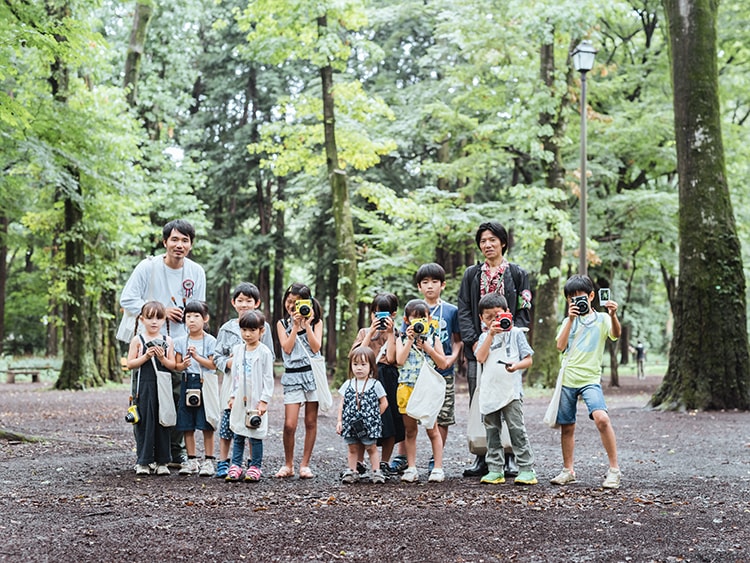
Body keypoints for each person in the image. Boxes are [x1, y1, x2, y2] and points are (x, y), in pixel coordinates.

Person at [120, 219, 207, 469]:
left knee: (178, 397)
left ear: (190, 245)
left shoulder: (196, 271)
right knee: (144, 399)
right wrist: (159, 312)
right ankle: (145, 454)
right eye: (175, 239)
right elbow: (128, 299)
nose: (179, 245)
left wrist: (189, 316)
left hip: (180, 342)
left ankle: (174, 451)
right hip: (147, 341)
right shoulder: (148, 267)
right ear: (165, 242)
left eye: (185, 240)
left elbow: (198, 307)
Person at [457, 221, 532, 478]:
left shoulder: (519, 274)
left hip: (508, 349)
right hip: (480, 347)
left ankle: (511, 457)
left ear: (503, 242)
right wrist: (473, 340)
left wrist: (513, 337)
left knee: (510, 400)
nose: (487, 245)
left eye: (492, 240)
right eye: (483, 241)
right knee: (481, 400)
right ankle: (483, 456)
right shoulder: (471, 274)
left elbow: (524, 310)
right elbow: (464, 309)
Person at [551, 274, 622, 489]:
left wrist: (614, 315)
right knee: (567, 426)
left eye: (580, 297)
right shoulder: (567, 321)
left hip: (590, 378)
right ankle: (568, 470)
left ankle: (614, 470)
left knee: (602, 418)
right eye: (571, 298)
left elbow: (615, 335)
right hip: (568, 378)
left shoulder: (602, 319)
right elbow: (560, 346)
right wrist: (571, 320)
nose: (576, 302)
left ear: (591, 296)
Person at [213, 282, 275, 478]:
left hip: (256, 389)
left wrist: (265, 398)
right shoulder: (227, 329)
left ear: (256, 303)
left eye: (248, 301)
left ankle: (254, 465)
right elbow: (217, 357)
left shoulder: (263, 330)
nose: (244, 304)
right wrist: (230, 364)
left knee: (254, 429)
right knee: (232, 426)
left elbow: (268, 368)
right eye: (240, 300)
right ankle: (229, 464)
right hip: (234, 386)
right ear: (233, 302)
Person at [473, 294, 536, 485]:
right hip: (490, 391)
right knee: (492, 430)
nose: (494, 320)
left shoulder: (516, 333)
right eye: (489, 317)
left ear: (507, 313)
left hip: (511, 392)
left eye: (497, 315)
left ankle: (526, 469)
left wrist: (516, 366)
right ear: (481, 319)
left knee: (517, 429)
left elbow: (528, 359)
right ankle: (495, 469)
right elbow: (480, 358)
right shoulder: (484, 336)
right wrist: (491, 335)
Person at [414, 263, 462, 473]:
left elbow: (458, 339)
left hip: (444, 371)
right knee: (413, 414)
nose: (430, 286)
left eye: (434, 282)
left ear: (443, 285)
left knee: (443, 416)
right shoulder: (414, 309)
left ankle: (437, 458)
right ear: (419, 286)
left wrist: (453, 358)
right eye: (425, 282)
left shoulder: (451, 311)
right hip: (417, 371)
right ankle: (406, 457)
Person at [350, 293, 404, 476]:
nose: (379, 319)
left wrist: (390, 335)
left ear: (393, 314)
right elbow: (356, 355)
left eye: (384, 315)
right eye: (376, 314)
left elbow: (392, 358)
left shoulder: (396, 334)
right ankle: (358, 462)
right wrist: (371, 333)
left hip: (388, 378)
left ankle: (384, 462)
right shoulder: (364, 332)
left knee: (389, 421)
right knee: (361, 420)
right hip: (366, 378)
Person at [395, 299, 448, 483]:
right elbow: (399, 360)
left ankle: (438, 468)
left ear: (429, 318)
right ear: (406, 320)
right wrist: (410, 340)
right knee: (410, 431)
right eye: (414, 318)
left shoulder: (434, 338)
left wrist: (428, 348)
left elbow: (443, 363)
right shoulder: (401, 338)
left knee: (432, 429)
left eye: (422, 318)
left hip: (426, 389)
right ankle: (411, 468)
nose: (418, 322)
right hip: (407, 388)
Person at [275, 283, 324, 479]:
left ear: (307, 302)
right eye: (289, 301)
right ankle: (288, 464)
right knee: (290, 424)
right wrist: (295, 326)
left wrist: (308, 325)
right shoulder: (281, 323)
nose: (292, 306)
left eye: (297, 302)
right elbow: (286, 348)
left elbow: (315, 347)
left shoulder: (317, 322)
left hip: (311, 375)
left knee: (311, 422)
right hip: (292, 375)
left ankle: (305, 464)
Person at [126, 301, 178, 476]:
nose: (154, 322)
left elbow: (172, 365)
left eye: (159, 317)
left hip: (163, 387)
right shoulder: (137, 340)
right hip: (144, 387)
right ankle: (144, 461)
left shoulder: (167, 341)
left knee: (163, 422)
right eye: (150, 318)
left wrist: (163, 359)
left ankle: (163, 461)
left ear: (164, 320)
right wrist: (145, 356)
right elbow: (130, 364)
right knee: (144, 424)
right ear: (142, 319)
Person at [225, 311, 275, 482]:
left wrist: (264, 400)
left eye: (252, 330)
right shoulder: (238, 350)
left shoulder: (264, 352)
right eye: (244, 329)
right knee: (238, 432)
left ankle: (255, 466)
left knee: (255, 434)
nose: (247, 334)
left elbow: (269, 378)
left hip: (256, 399)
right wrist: (232, 396)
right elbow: (235, 375)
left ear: (261, 331)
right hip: (240, 397)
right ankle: (236, 465)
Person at [173, 300, 218, 477]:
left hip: (204, 383)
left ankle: (208, 461)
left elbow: (214, 365)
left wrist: (197, 357)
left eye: (196, 316)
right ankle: (192, 461)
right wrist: (182, 364)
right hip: (186, 383)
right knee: (187, 425)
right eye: (188, 316)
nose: (191, 320)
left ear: (205, 319)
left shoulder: (210, 341)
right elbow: (176, 365)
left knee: (207, 423)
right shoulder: (180, 341)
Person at [337, 346, 389, 484]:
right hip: (350, 423)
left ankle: (376, 471)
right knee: (352, 447)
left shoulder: (375, 384)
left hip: (369, 424)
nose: (359, 368)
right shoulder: (348, 384)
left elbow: (384, 402)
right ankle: (352, 471)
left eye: (363, 364)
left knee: (371, 447)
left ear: (371, 366)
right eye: (355, 364)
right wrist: (339, 421)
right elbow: (342, 404)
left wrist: (375, 416)